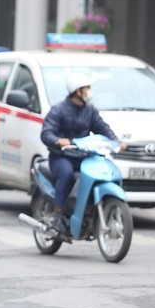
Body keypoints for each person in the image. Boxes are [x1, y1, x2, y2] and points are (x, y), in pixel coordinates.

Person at [40, 73, 124, 234]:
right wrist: (58, 141)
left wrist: (116, 141)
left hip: (83, 155)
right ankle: (58, 212)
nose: (90, 92)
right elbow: (46, 133)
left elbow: (102, 128)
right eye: (87, 89)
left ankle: (88, 207)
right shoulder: (58, 110)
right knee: (66, 173)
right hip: (62, 156)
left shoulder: (90, 110)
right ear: (78, 91)